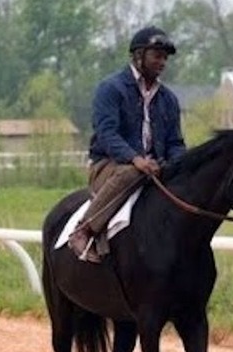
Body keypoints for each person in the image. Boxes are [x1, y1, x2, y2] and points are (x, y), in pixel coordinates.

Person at [68, 26, 187, 263]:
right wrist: (135, 159)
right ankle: (84, 230)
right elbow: (106, 133)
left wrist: (182, 165)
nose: (162, 62)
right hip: (110, 166)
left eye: (165, 57)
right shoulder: (110, 88)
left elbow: (175, 142)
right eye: (156, 55)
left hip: (153, 167)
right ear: (138, 55)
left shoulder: (169, 99)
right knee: (132, 173)